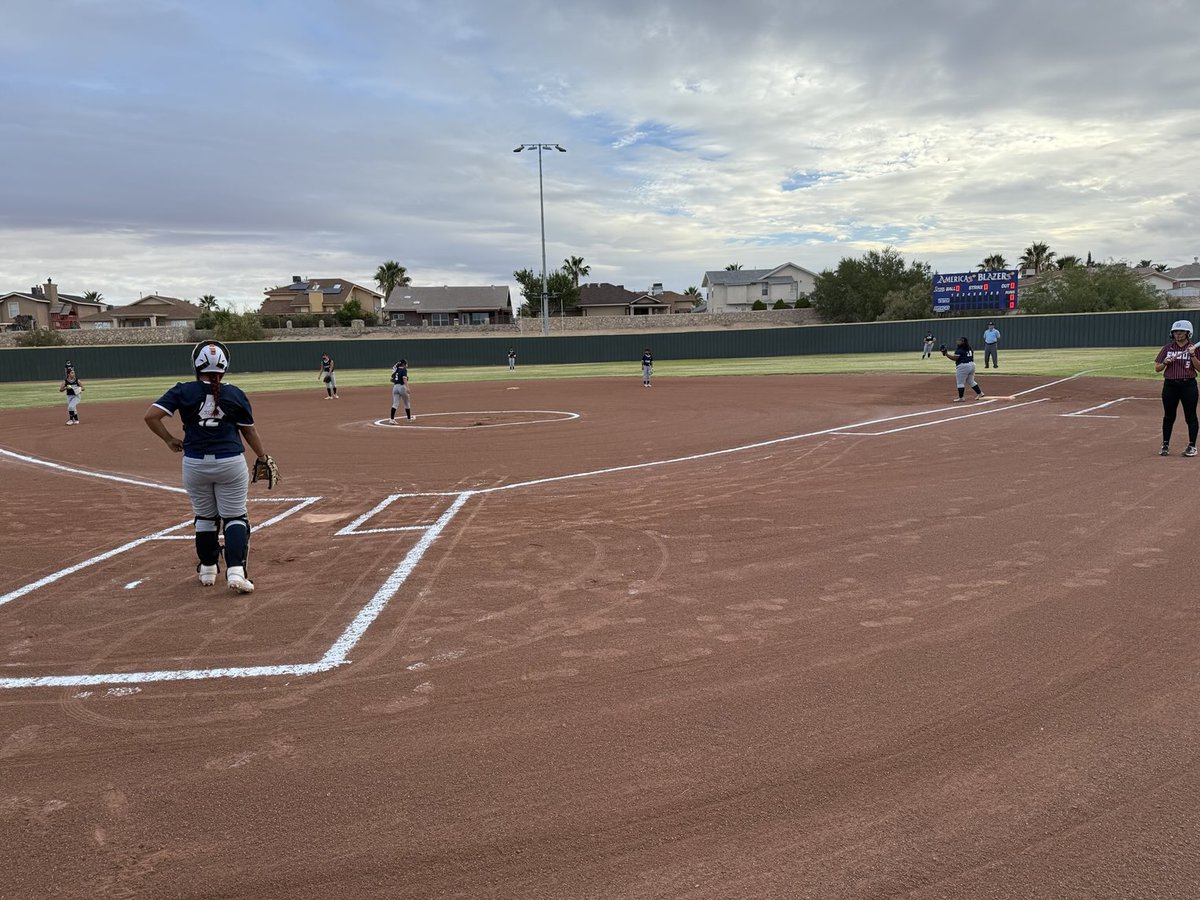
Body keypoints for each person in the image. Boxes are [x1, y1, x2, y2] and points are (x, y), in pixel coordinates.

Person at [143, 341, 271, 594]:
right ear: (224, 366)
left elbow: (151, 416)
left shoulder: (183, 390)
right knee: (235, 516)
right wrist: (263, 457)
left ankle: (208, 569)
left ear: (196, 365)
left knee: (205, 517)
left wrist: (169, 439)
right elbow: (249, 431)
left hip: (195, 463)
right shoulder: (235, 393)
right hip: (230, 462)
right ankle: (236, 571)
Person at [1154, 320, 1200, 457]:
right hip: (1170, 385)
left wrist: (1192, 355)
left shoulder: (1194, 348)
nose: (1178, 334)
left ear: (1188, 333)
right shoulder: (1167, 348)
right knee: (1168, 416)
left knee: (1190, 416)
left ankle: (1192, 446)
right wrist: (1165, 362)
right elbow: (1157, 368)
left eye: (1181, 332)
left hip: (1188, 385)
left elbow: (1199, 368)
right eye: (1175, 332)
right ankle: (1165, 444)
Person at [941, 337, 984, 402]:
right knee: (971, 381)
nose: (958, 342)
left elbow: (955, 358)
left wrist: (946, 354)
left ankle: (961, 398)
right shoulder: (969, 348)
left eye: (960, 341)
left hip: (963, 366)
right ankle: (980, 393)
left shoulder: (959, 349)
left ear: (963, 342)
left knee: (960, 383)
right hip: (972, 365)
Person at [390, 359, 413, 423]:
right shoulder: (404, 369)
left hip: (395, 387)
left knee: (395, 404)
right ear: (403, 364)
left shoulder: (396, 369)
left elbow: (392, 380)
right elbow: (404, 379)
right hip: (402, 387)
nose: (407, 365)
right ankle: (409, 419)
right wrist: (407, 388)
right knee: (407, 403)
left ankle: (392, 419)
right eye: (406, 364)